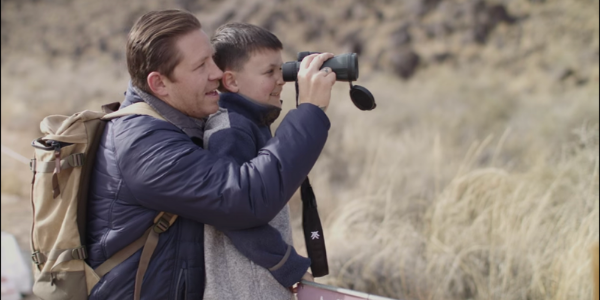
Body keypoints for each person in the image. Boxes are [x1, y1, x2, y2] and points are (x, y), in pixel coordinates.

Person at [85, 9, 336, 300]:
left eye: (212, 60)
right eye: (201, 66)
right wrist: (310, 112)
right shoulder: (145, 146)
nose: (217, 74)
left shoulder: (179, 119)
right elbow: (243, 199)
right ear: (159, 84)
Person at [202, 23, 317, 300]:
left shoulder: (250, 122)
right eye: (269, 72)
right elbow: (231, 214)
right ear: (231, 81)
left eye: (282, 69)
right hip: (244, 289)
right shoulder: (230, 129)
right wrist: (288, 265)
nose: (282, 80)